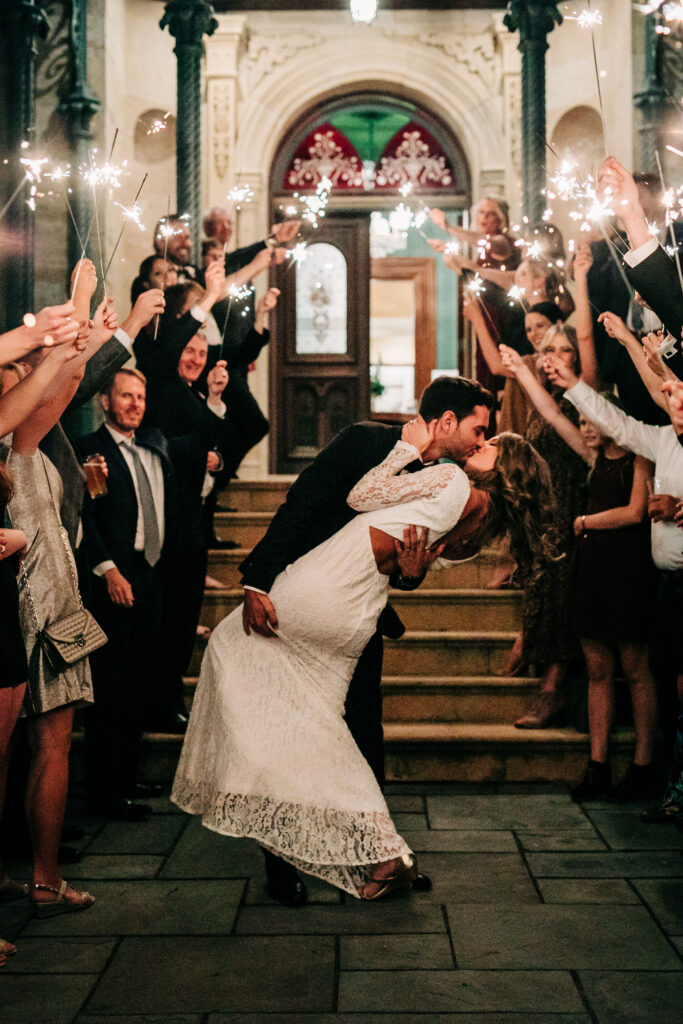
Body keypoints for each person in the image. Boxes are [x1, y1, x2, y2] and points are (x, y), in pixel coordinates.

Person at [172, 409, 555, 900]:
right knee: (317, 726)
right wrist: (411, 571)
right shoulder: (480, 523)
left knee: (232, 650)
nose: (479, 444)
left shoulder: (453, 481)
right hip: (357, 610)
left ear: (505, 468)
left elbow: (362, 496)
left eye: (489, 444)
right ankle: (380, 854)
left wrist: (406, 450)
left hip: (326, 588)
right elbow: (410, 555)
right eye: (480, 435)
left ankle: (344, 843)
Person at [227, 375, 491, 903]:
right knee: (293, 732)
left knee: (365, 732)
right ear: (446, 421)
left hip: (359, 615)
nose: (481, 440)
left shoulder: (439, 477)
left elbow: (399, 558)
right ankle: (281, 862)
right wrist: (257, 581)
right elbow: (301, 504)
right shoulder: (366, 440)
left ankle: (377, 857)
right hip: (303, 600)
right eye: (478, 429)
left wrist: (411, 574)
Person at [545, 354, 683, 802]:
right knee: (597, 668)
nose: (587, 426)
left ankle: (643, 767)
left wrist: (584, 522)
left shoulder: (643, 454)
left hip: (628, 567)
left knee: (636, 668)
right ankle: (598, 764)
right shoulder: (595, 457)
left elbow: (635, 511)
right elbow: (558, 417)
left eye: (593, 418)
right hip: (594, 566)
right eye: (583, 421)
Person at [77, 369, 179, 821]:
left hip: (151, 574)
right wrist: (108, 570)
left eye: (140, 396)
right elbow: (87, 516)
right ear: (105, 401)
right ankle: (105, 792)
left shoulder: (153, 448)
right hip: (114, 578)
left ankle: (128, 777)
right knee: (111, 685)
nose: (135, 404)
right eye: (125, 396)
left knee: (141, 678)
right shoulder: (91, 451)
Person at [499, 328, 588, 720]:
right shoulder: (541, 400)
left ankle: (553, 687)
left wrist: (521, 372)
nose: (554, 356)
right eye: (548, 349)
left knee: (561, 595)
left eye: (565, 350)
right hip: (543, 511)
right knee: (539, 589)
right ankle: (534, 658)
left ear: (578, 358)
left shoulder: (583, 400)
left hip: (572, 507)